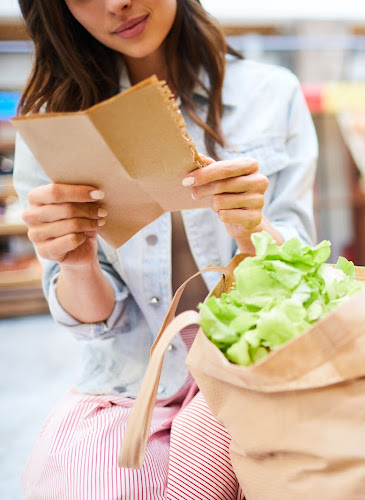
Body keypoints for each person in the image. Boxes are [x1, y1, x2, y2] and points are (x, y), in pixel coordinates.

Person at [12, 0, 318, 498]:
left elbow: (306, 278)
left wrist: (253, 229)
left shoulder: (271, 93)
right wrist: (77, 263)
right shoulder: (54, 123)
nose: (117, 4)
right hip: (129, 385)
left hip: (252, 365)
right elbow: (95, 324)